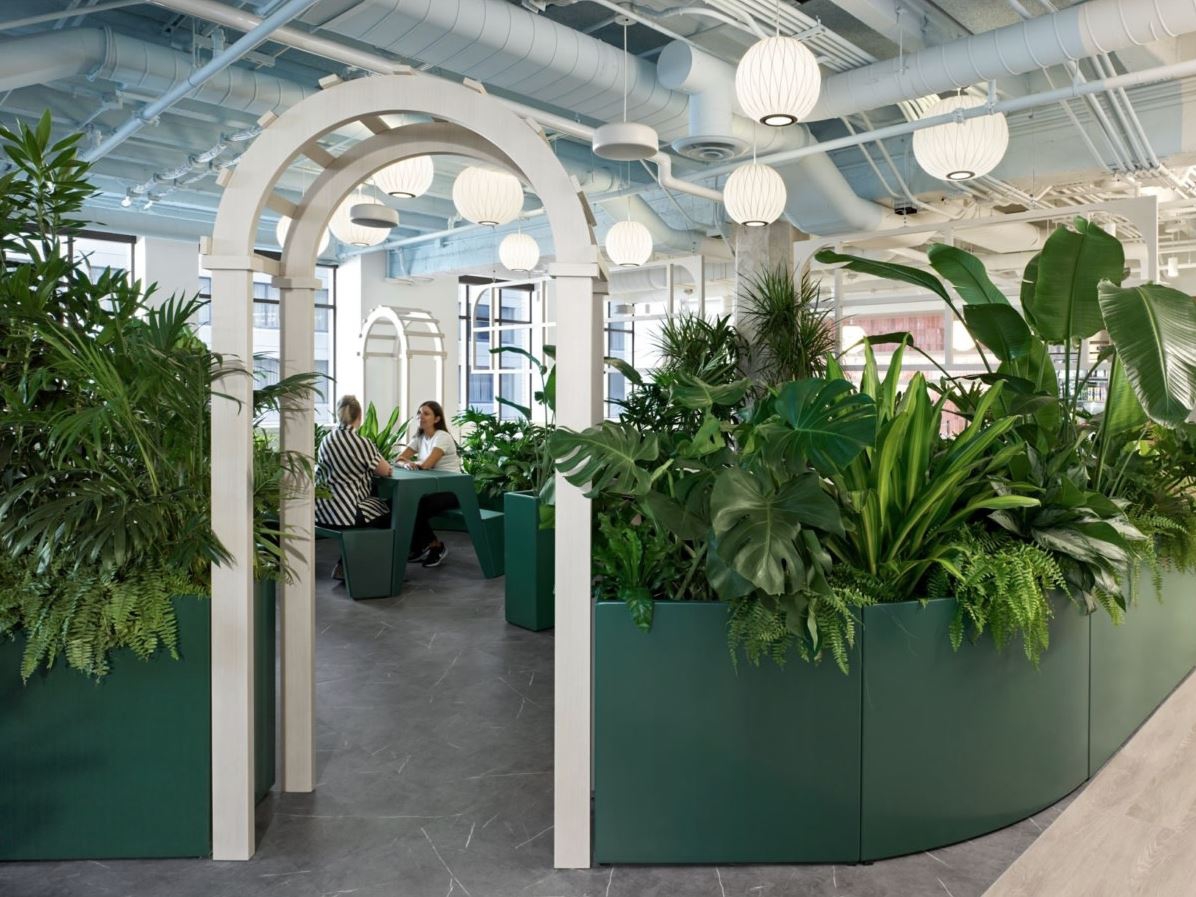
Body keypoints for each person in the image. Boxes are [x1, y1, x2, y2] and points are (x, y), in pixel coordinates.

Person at [316, 395, 393, 580]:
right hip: (346, 513)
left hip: (321, 511)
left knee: (377, 508)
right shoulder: (361, 443)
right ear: (359, 416)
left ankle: (346, 564)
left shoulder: (327, 439)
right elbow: (386, 471)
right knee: (391, 511)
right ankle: (355, 565)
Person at [395, 399, 461, 568]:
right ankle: (421, 546)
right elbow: (399, 459)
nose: (421, 416)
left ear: (437, 419)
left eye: (426, 413)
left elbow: (427, 465)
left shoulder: (443, 437)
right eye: (419, 413)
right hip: (433, 489)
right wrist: (406, 464)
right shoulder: (420, 438)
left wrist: (411, 463)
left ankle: (435, 546)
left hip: (452, 491)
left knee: (416, 506)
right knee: (406, 504)